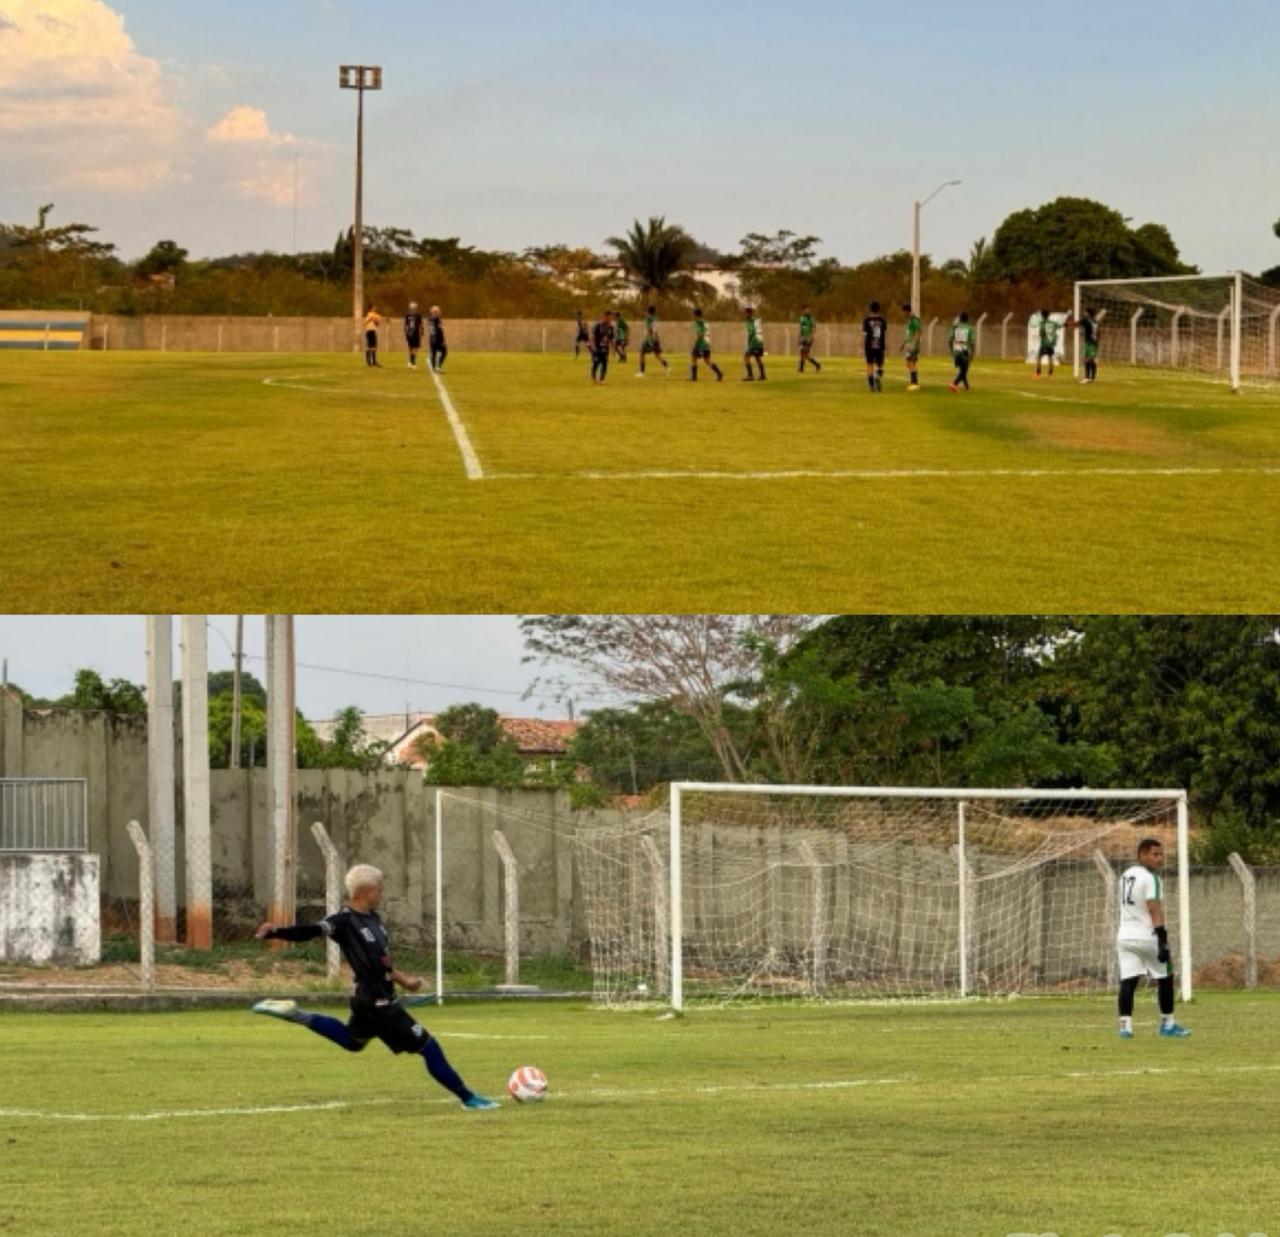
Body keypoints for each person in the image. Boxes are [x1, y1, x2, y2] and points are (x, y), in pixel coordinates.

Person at [250, 863, 500, 1110]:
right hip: (378, 1004)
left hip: (369, 999)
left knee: (353, 1042)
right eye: (380, 890)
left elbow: (383, 963)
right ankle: (469, 1099)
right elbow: (311, 930)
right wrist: (277, 932)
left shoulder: (373, 919)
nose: (382, 894)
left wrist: (405, 981)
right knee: (428, 1046)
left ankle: (296, 1014)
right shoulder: (343, 920)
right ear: (366, 891)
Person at [1116, 838, 1191, 1039]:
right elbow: (1153, 908)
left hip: (1124, 937)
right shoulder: (1151, 879)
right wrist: (1162, 939)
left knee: (1128, 981)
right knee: (1165, 977)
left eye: (1161, 854)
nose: (1160, 859)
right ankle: (1167, 1025)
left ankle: (1125, 1027)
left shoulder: (1126, 875)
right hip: (1146, 936)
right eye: (1155, 854)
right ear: (1142, 855)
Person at [689, 308, 724, 382]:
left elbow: (700, 334)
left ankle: (694, 377)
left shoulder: (698, 322)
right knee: (707, 360)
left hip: (702, 343)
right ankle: (719, 373)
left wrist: (696, 344)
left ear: (695, 315)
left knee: (693, 357)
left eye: (694, 315)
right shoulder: (705, 322)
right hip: (707, 343)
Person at [862, 300, 888, 391]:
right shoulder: (882, 320)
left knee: (869, 364)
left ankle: (871, 386)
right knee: (880, 364)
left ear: (870, 309)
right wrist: (886, 345)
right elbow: (884, 333)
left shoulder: (867, 320)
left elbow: (864, 334)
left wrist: (860, 347)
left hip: (869, 345)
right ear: (878, 309)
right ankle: (877, 376)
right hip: (880, 344)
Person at [637, 305, 670, 377]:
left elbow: (649, 329)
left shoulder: (648, 319)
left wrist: (649, 340)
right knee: (657, 355)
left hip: (649, 338)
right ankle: (667, 366)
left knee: (641, 354)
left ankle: (641, 372)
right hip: (656, 338)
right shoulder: (656, 318)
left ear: (648, 311)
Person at [948, 312, 975, 392]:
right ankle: (954, 384)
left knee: (962, 369)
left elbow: (949, 340)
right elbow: (972, 343)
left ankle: (967, 387)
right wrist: (972, 354)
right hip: (964, 351)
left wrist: (952, 350)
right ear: (968, 319)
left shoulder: (955, 327)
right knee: (964, 369)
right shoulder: (970, 328)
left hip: (956, 350)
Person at [591, 310, 615, 384]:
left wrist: (612, 349)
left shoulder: (611, 327)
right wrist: (594, 347)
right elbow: (593, 337)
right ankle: (594, 378)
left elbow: (611, 339)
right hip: (597, 348)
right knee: (596, 363)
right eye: (608, 317)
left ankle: (601, 379)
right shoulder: (598, 325)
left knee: (604, 364)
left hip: (605, 348)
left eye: (611, 318)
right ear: (604, 317)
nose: (609, 319)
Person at [1035, 308, 1061, 378]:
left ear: (1042, 315)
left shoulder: (1042, 323)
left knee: (1038, 357)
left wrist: (1041, 335)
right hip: (1051, 343)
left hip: (1044, 343)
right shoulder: (1053, 323)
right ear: (1048, 315)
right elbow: (1060, 326)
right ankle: (1050, 374)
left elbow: (1042, 332)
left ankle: (1038, 373)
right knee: (1050, 357)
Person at [742, 307, 766, 381]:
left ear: (749, 313)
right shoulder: (756, 320)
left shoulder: (749, 321)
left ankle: (750, 375)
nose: (744, 315)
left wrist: (749, 342)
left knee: (746, 356)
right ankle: (763, 375)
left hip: (754, 342)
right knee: (758, 357)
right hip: (760, 341)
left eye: (745, 313)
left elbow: (751, 332)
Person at [901, 304, 922, 391]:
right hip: (909, 344)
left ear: (906, 311)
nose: (902, 314)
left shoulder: (914, 320)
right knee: (909, 363)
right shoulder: (909, 320)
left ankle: (915, 383)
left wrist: (915, 344)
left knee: (911, 363)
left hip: (912, 345)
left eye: (903, 312)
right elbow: (909, 334)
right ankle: (913, 382)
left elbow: (918, 331)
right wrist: (903, 344)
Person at [1078, 307, 1100, 383]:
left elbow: (1078, 323)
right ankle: (1093, 378)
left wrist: (1067, 323)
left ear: (1088, 313)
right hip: (1094, 342)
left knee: (1088, 359)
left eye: (1085, 312)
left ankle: (1087, 378)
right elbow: (1098, 332)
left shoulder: (1086, 320)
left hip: (1090, 343)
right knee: (1092, 360)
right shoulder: (1096, 321)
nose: (1084, 313)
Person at [797, 306, 821, 373]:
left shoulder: (811, 319)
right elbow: (800, 329)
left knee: (805, 353)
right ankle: (801, 369)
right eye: (806, 310)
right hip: (802, 338)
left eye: (808, 310)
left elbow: (813, 328)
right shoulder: (801, 318)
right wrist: (799, 338)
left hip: (808, 338)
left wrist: (811, 337)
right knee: (802, 353)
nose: (807, 311)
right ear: (803, 311)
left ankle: (817, 365)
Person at [403, 302, 424, 369]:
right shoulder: (418, 315)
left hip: (409, 333)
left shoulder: (407, 315)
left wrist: (406, 333)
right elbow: (421, 324)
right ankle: (413, 363)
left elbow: (405, 325)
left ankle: (409, 362)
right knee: (415, 348)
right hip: (415, 333)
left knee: (410, 347)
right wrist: (422, 331)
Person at [428, 306, 447, 373]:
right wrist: (442, 340)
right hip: (437, 339)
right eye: (438, 311)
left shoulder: (430, 319)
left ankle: (433, 368)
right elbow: (440, 330)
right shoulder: (437, 319)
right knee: (444, 352)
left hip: (432, 338)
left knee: (434, 353)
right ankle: (438, 366)